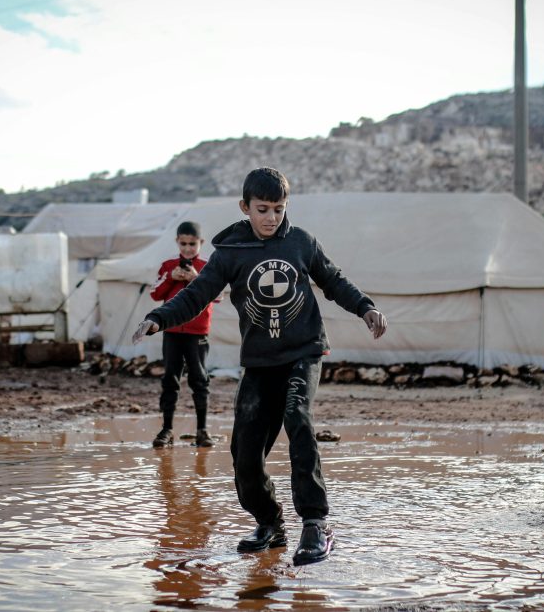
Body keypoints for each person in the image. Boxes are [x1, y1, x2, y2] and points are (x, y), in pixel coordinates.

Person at [132, 167, 387, 566]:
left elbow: (333, 280)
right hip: (259, 364)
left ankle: (316, 524)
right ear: (245, 207)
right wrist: (159, 318)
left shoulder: (301, 242)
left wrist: (365, 306)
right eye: (263, 209)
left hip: (303, 353)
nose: (271, 218)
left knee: (297, 418)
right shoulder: (230, 253)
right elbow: (198, 293)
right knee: (244, 453)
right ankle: (270, 522)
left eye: (279, 209)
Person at [149, 221, 216, 449]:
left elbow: (217, 296)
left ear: (201, 243)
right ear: (177, 242)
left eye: (192, 244)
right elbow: (155, 294)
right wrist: (172, 278)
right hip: (173, 332)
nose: (188, 249)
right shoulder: (168, 266)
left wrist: (196, 279)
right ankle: (167, 429)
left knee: (200, 380)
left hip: (197, 333)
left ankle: (202, 430)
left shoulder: (208, 267)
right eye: (184, 244)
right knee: (170, 379)